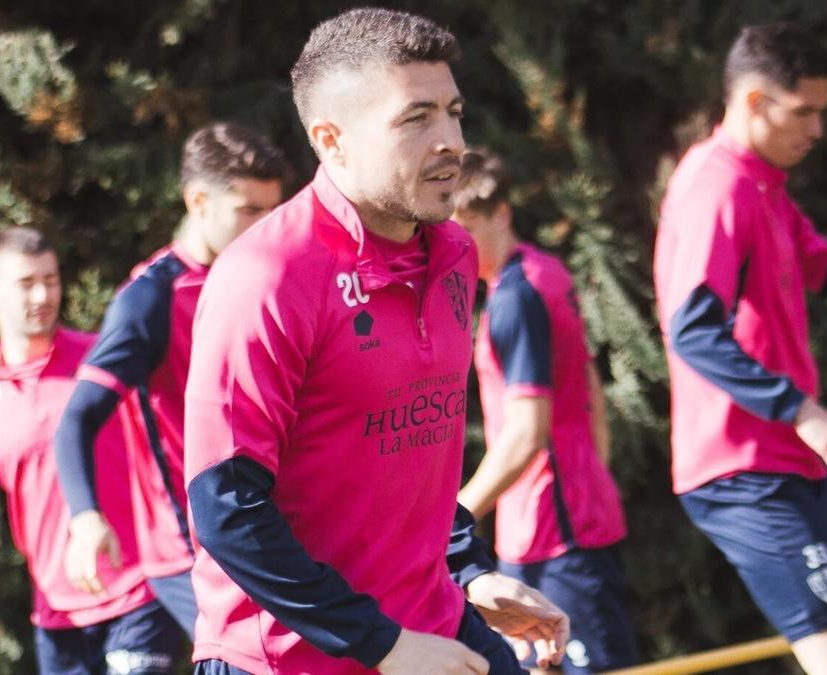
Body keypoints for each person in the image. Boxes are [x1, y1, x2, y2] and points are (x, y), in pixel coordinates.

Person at [183, 8, 569, 675]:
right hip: (291, 657)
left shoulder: (455, 254)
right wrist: (383, 644)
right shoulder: (267, 276)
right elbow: (226, 509)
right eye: (416, 118)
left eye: (454, 112)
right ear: (332, 140)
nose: (451, 141)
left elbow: (410, 453)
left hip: (430, 624)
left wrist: (469, 570)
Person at [654, 22, 827, 675]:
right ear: (756, 101)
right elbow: (691, 328)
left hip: (791, 455)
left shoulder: (762, 183)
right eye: (804, 111)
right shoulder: (716, 186)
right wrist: (803, 410)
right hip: (744, 470)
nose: (817, 129)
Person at [54, 122, 287, 636]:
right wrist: (86, 519)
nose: (266, 226)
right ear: (198, 201)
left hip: (266, 529)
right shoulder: (150, 298)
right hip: (190, 549)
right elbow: (77, 419)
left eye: (273, 211)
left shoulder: (266, 278)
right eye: (249, 210)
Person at [0, 226, 179, 674]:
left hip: (142, 592)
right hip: (59, 614)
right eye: (26, 283)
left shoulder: (103, 361)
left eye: (51, 280)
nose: (42, 295)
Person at [453, 149, 638, 674]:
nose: (458, 246)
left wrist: (454, 518)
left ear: (502, 214)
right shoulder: (546, 273)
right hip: (562, 519)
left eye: (468, 230)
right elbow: (590, 387)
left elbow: (527, 430)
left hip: (553, 531)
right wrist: (593, 476)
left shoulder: (516, 298)